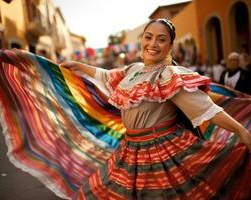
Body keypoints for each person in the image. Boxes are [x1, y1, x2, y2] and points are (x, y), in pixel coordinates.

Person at [60, 18, 251, 199]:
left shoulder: (168, 75)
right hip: (129, 149)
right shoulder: (133, 70)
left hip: (160, 151)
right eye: (148, 37)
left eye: (161, 39)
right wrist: (77, 65)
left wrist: (241, 131)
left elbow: (207, 109)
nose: (153, 44)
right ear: (142, 39)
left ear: (170, 46)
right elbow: (104, 75)